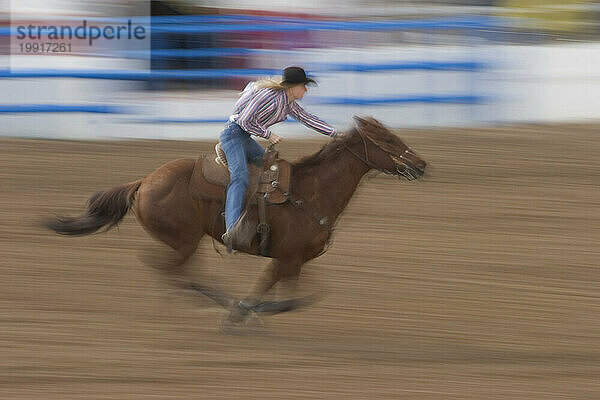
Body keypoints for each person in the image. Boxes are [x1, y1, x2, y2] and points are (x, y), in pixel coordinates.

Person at [220, 66, 337, 253]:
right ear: (292, 87)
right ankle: (232, 229)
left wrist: (335, 134)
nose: (306, 90)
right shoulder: (268, 96)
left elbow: (307, 118)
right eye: (303, 86)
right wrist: (268, 134)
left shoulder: (288, 103)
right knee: (240, 177)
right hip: (233, 135)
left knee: (272, 169)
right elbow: (243, 120)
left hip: (245, 138)